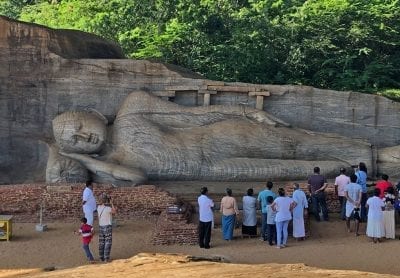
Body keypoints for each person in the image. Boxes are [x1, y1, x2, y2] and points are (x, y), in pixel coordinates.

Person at [51, 90, 381, 186]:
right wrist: (86, 161)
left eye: (79, 125)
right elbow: (136, 178)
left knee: (299, 142)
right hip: (216, 169)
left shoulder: (132, 109)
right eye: (74, 142)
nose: (84, 137)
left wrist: (247, 111)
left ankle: (375, 154)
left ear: (91, 111)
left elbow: (197, 115)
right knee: (300, 167)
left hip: (220, 139)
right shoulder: (114, 163)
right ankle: (371, 165)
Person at [97, 194, 116, 262]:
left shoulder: (98, 208)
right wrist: (111, 203)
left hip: (101, 226)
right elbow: (114, 211)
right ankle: (106, 258)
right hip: (107, 226)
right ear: (106, 200)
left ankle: (101, 257)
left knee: (101, 242)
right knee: (108, 242)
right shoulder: (108, 208)